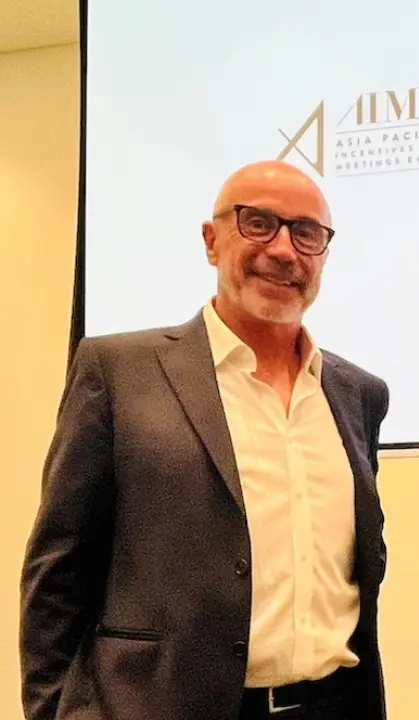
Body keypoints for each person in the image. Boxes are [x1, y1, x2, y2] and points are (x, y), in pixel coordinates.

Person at [20, 160, 391, 720]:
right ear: (211, 240)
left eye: (306, 232)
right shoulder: (118, 372)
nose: (284, 250)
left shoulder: (358, 393)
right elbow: (58, 574)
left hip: (331, 704)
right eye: (258, 223)